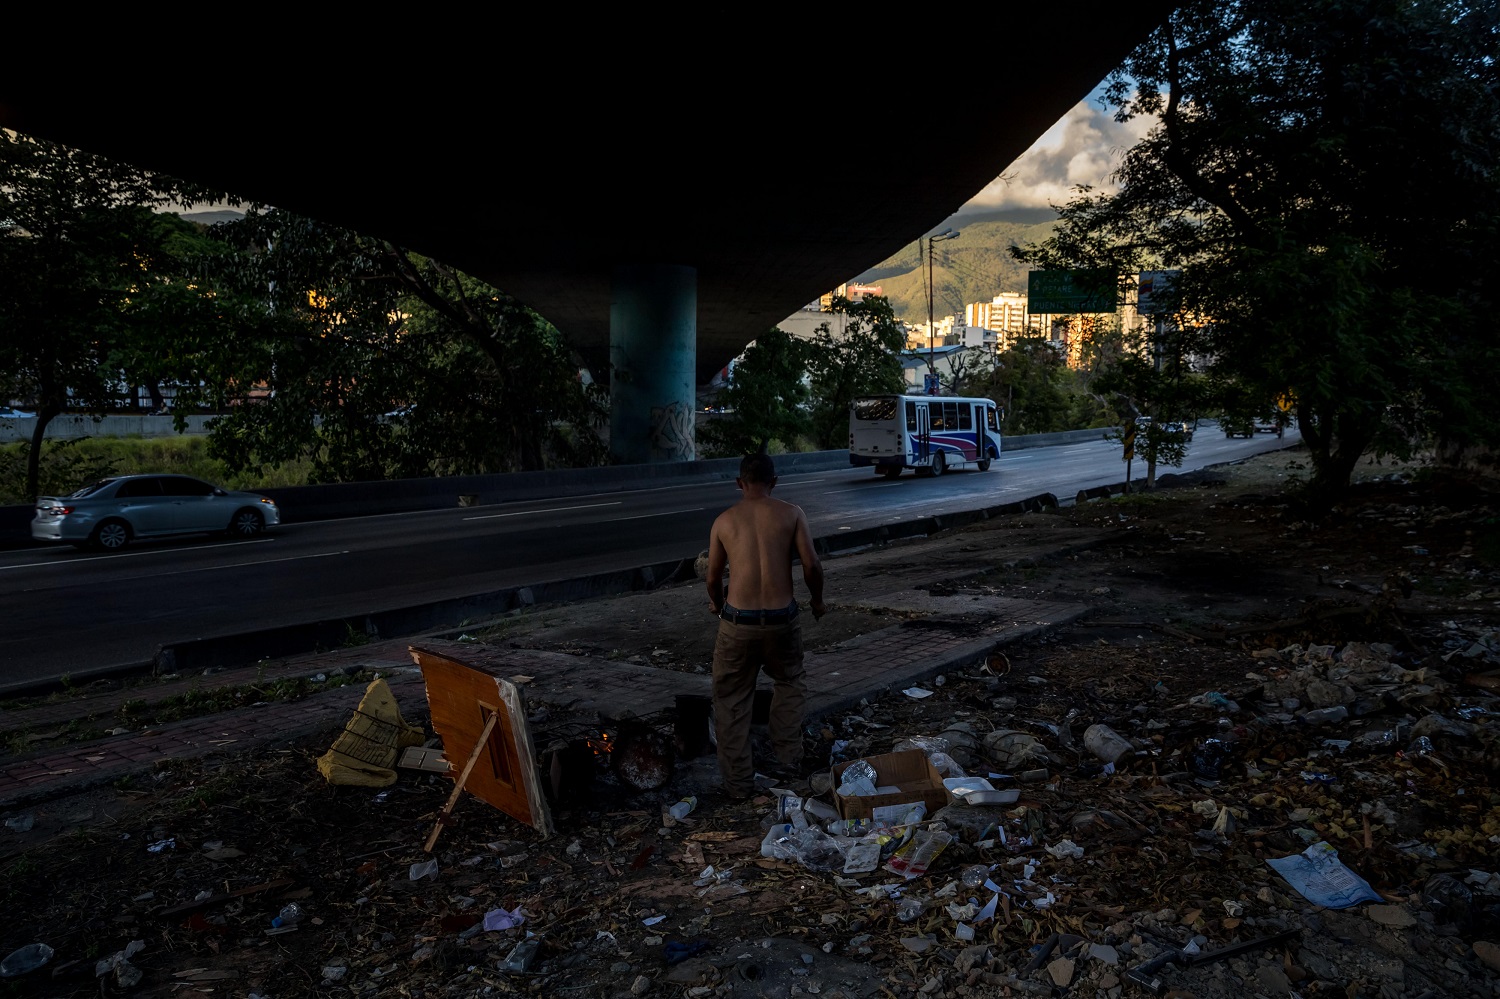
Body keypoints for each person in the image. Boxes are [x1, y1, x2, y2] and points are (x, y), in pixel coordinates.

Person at [705, 452, 827, 798]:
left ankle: (739, 786)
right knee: (789, 682)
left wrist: (716, 604)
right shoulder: (791, 514)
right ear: (774, 483)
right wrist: (817, 600)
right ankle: (788, 763)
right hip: (781, 621)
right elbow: (812, 566)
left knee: (731, 699)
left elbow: (713, 577)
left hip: (737, 622)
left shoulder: (724, 522)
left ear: (739, 483)